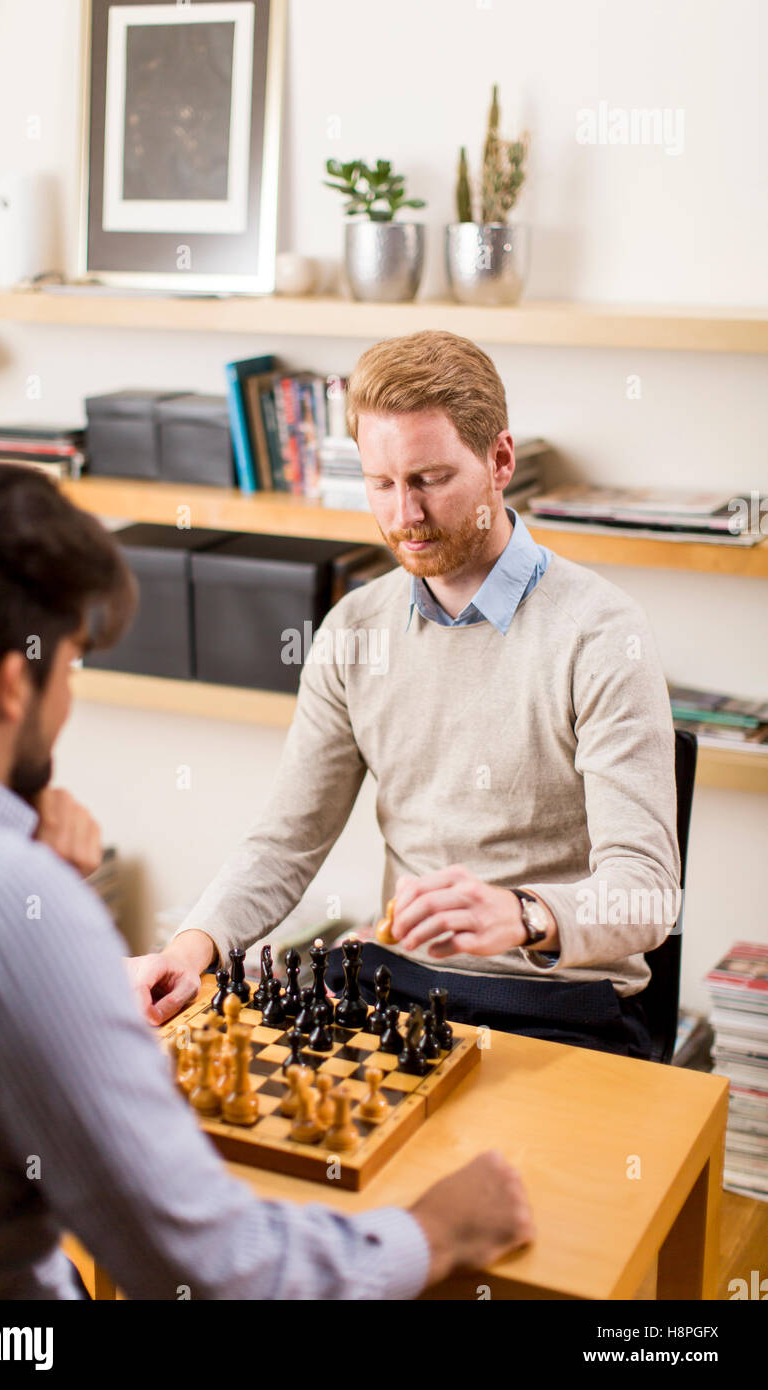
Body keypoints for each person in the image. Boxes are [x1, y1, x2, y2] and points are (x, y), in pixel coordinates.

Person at [0, 453, 533, 1300]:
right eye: (73, 662)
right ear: (14, 684)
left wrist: (14, 846)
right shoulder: (5, 911)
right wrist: (433, 1231)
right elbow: (205, 1267)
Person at [131, 331, 681, 1059]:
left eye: (430, 479)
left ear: (501, 462)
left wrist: (521, 914)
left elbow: (646, 893)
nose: (404, 516)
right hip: (404, 988)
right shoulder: (353, 631)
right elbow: (286, 840)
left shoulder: (602, 633)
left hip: (561, 1004)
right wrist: (190, 948)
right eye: (381, 484)